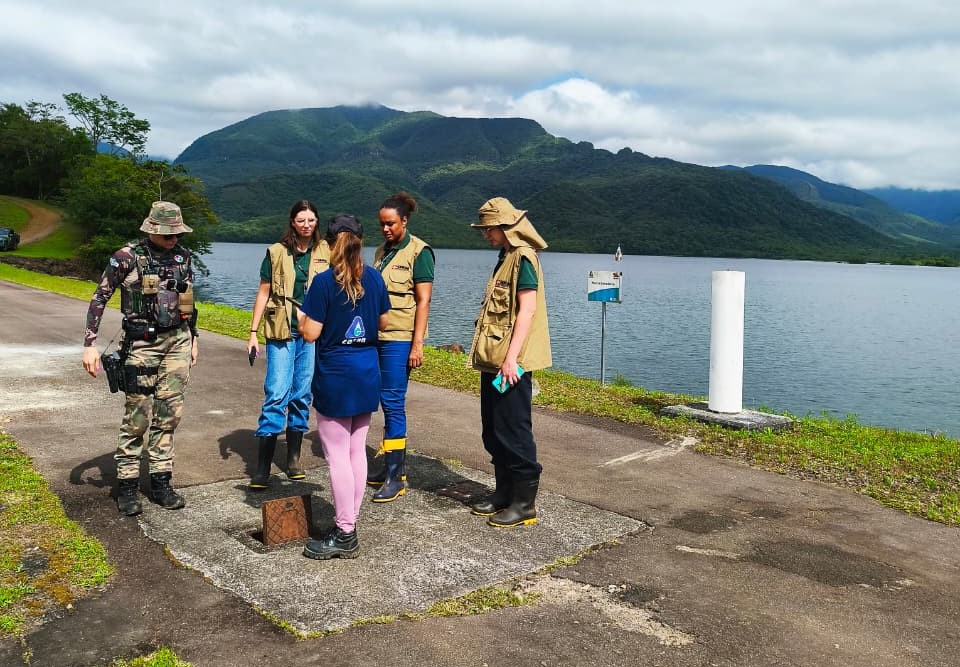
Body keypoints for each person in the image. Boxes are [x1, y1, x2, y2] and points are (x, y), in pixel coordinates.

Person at [81, 201, 200, 516]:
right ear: (152, 230)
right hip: (141, 343)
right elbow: (99, 297)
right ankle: (128, 485)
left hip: (177, 340)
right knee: (138, 415)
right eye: (168, 235)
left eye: (177, 233)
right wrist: (89, 344)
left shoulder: (183, 257)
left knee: (170, 412)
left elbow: (187, 297)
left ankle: (161, 481)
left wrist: (194, 336)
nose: (174, 239)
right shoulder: (126, 258)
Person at [298, 214, 390, 559]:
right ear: (359, 239)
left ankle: (345, 531)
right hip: (367, 371)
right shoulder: (377, 278)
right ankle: (350, 520)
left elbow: (311, 334)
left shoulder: (323, 283)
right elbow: (383, 322)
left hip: (336, 374)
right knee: (356, 450)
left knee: (338, 456)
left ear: (329, 243)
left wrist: (301, 318)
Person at [467, 196, 552, 528]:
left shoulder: (523, 258)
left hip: (510, 361)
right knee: (493, 429)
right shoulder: (505, 256)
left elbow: (526, 310)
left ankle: (524, 502)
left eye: (489, 229)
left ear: (505, 227)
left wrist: (512, 359)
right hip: (494, 359)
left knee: (514, 429)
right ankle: (503, 492)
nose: (486, 235)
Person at [246, 200, 330, 490]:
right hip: (281, 330)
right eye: (301, 220)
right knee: (276, 392)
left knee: (302, 393)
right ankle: (262, 469)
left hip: (311, 334)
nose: (306, 225)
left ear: (316, 222)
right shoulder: (276, 252)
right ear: (292, 222)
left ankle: (293, 461)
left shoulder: (326, 252)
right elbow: (263, 292)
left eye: (311, 220)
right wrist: (253, 332)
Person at [366, 191, 435, 502]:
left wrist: (417, 343)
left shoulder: (420, 253)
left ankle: (396, 475)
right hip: (376, 337)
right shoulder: (381, 251)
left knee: (393, 403)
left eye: (391, 224)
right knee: (381, 400)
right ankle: (389, 466)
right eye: (381, 224)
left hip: (400, 338)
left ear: (404, 221)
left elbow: (423, 300)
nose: (385, 229)